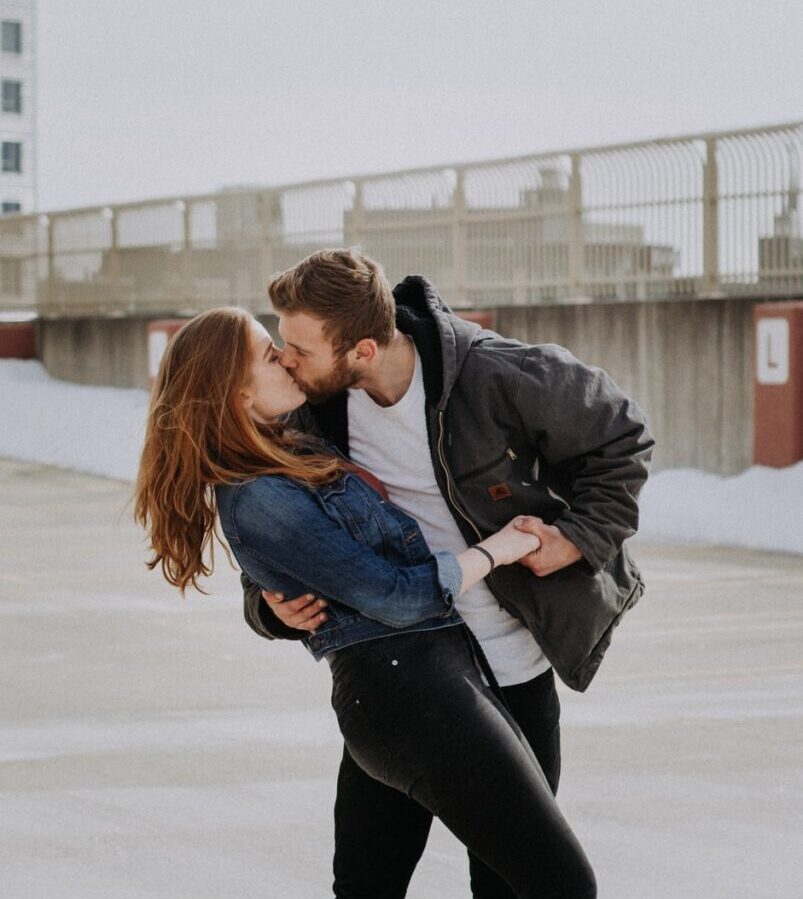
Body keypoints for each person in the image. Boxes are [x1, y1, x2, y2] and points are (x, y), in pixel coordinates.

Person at [134, 306, 597, 899]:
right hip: (409, 692)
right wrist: (498, 550)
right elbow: (393, 596)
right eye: (269, 354)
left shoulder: (290, 441)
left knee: (373, 886)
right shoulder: (257, 496)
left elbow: (313, 564)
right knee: (560, 882)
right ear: (233, 391)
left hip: (428, 682)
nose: (286, 356)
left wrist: (269, 607)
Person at [244, 248, 653, 899]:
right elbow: (277, 529)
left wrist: (578, 539)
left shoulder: (494, 374)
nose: (284, 358)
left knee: (513, 884)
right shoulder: (314, 411)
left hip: (511, 676)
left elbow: (621, 438)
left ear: (364, 349)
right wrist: (267, 608)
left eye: (299, 346)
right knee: (364, 879)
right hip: (400, 680)